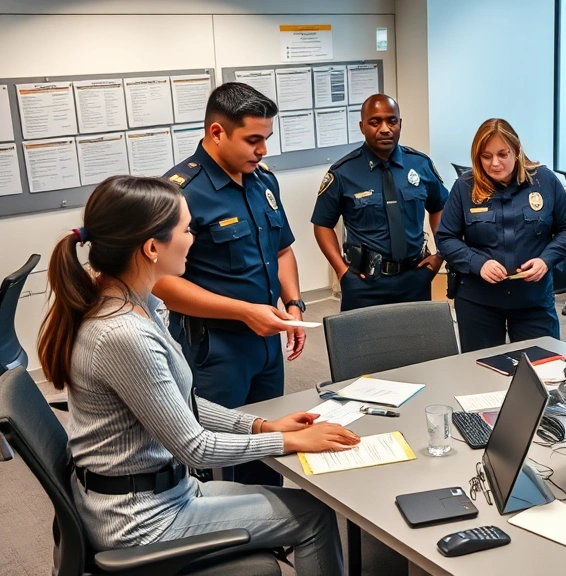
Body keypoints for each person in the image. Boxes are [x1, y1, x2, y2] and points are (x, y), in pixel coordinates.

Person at [36, 175, 358, 575]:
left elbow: (180, 402)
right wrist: (289, 442)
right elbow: (196, 449)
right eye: (187, 230)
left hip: (165, 492)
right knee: (314, 518)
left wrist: (259, 426)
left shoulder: (136, 304)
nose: (193, 239)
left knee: (307, 507)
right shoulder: (123, 333)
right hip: (141, 520)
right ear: (152, 248)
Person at [156, 82, 302, 487]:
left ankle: (273, 531)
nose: (263, 150)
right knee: (218, 453)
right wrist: (243, 311)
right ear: (217, 133)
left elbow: (284, 249)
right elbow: (161, 283)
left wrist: (294, 303)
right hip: (214, 347)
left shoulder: (263, 181)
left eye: (267, 139)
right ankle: (225, 541)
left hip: (266, 337)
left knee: (269, 439)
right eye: (253, 140)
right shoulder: (179, 193)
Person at [436, 118, 566, 352]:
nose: (495, 163)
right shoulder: (465, 186)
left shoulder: (544, 181)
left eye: (503, 154)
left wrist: (546, 261)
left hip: (532, 300)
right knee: (481, 375)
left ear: (516, 150)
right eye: (486, 156)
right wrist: (478, 264)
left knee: (542, 370)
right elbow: (445, 238)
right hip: (479, 301)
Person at [312, 94, 448, 310]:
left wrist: (441, 254)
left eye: (392, 121)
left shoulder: (420, 165)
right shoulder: (343, 172)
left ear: (400, 124)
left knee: (415, 343)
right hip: (364, 281)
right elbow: (322, 224)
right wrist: (341, 271)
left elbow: (440, 207)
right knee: (363, 343)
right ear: (362, 126)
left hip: (415, 276)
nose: (385, 129)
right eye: (375, 122)